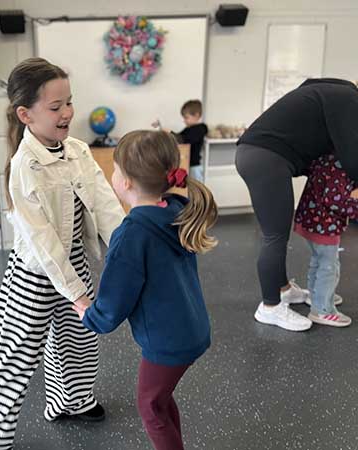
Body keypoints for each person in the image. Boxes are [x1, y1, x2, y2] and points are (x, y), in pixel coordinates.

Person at [0, 57, 125, 450]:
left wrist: (129, 249)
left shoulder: (78, 150)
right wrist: (77, 295)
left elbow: (106, 205)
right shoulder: (24, 167)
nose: (67, 112)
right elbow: (42, 243)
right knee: (13, 357)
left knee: (79, 342)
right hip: (34, 272)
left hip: (75, 262)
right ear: (25, 114)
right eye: (56, 107)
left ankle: (70, 401)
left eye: (69, 102)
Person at [74, 129, 217, 450]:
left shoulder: (132, 235)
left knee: (150, 406)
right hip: (192, 329)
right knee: (160, 399)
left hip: (167, 342)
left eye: (115, 169)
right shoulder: (176, 211)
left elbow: (114, 301)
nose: (113, 175)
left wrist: (90, 316)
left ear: (125, 182)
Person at [236, 78, 358, 331]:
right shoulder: (349, 99)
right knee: (275, 237)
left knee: (277, 235)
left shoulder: (332, 90)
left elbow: (307, 85)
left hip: (258, 154)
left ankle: (283, 289)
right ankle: (270, 307)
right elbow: (352, 156)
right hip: (266, 159)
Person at [293, 154, 355, 327]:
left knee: (318, 261)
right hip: (325, 225)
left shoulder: (327, 157)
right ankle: (322, 310)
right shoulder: (342, 165)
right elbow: (335, 200)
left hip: (310, 219)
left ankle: (317, 296)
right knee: (329, 267)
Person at [152, 99, 208, 182]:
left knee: (196, 187)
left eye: (186, 118)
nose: (184, 120)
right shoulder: (188, 129)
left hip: (194, 166)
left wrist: (170, 132)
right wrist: (163, 129)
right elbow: (178, 138)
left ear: (196, 116)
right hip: (186, 164)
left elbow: (182, 140)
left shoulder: (200, 129)